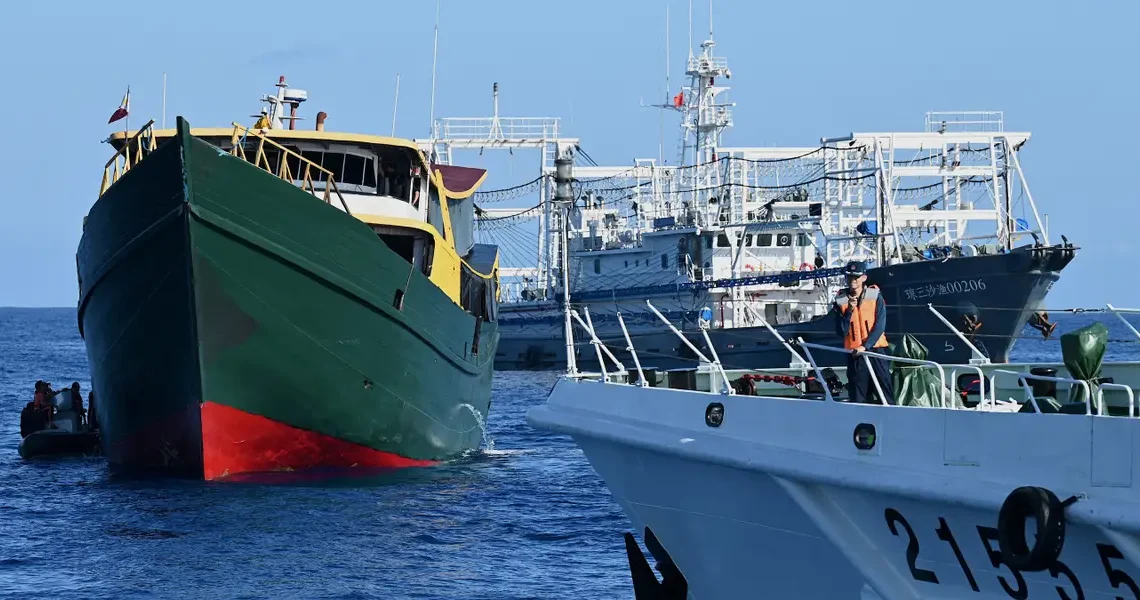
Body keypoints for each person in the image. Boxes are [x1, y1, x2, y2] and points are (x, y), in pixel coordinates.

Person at [833, 260, 894, 404]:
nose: (852, 280)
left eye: (856, 277)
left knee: (885, 395)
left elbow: (880, 325)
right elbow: (841, 331)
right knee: (859, 398)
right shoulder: (841, 300)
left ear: (864, 278)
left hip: (876, 352)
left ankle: (890, 423)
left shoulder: (875, 296)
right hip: (855, 357)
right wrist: (849, 310)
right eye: (849, 277)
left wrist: (865, 346)